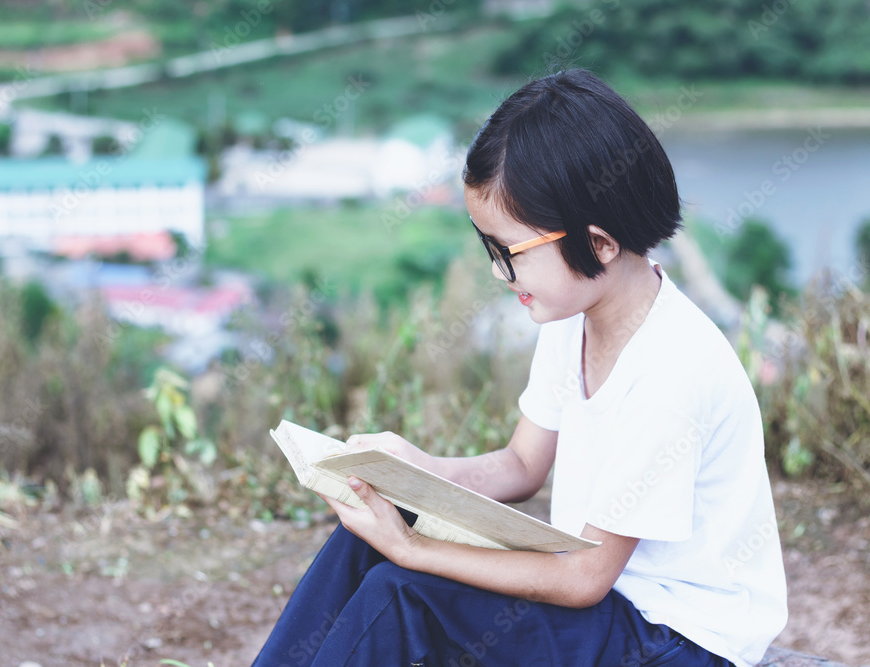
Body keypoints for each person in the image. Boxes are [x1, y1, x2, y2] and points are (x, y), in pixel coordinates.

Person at [252, 68, 787, 667]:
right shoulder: (574, 312)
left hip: (681, 638)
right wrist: (415, 470)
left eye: (510, 253)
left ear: (600, 243)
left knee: (402, 591)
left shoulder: (670, 372)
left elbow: (586, 578)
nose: (497, 273)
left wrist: (411, 550)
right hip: (614, 607)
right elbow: (522, 465)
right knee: (364, 540)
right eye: (490, 249)